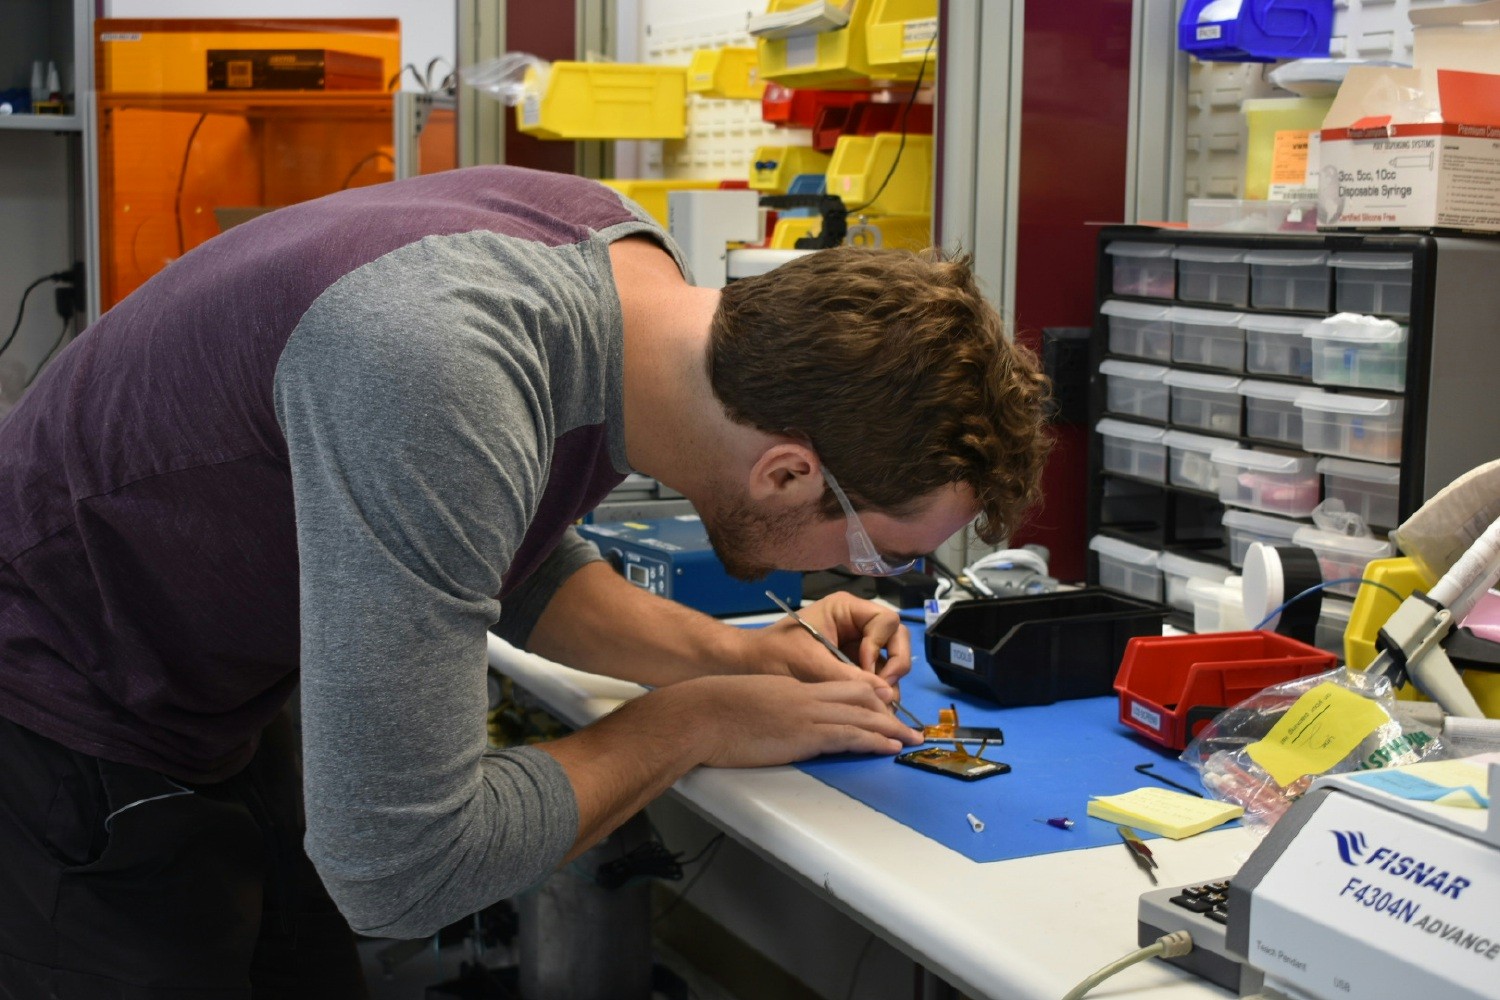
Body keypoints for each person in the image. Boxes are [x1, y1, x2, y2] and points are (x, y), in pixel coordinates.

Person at [0, 165, 1050, 997]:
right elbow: (401, 868)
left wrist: (735, 652)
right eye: (882, 554)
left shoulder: (623, 280)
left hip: (208, 686)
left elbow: (504, 545)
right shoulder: (437, 366)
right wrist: (692, 722)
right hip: (59, 704)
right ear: (787, 471)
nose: (877, 581)